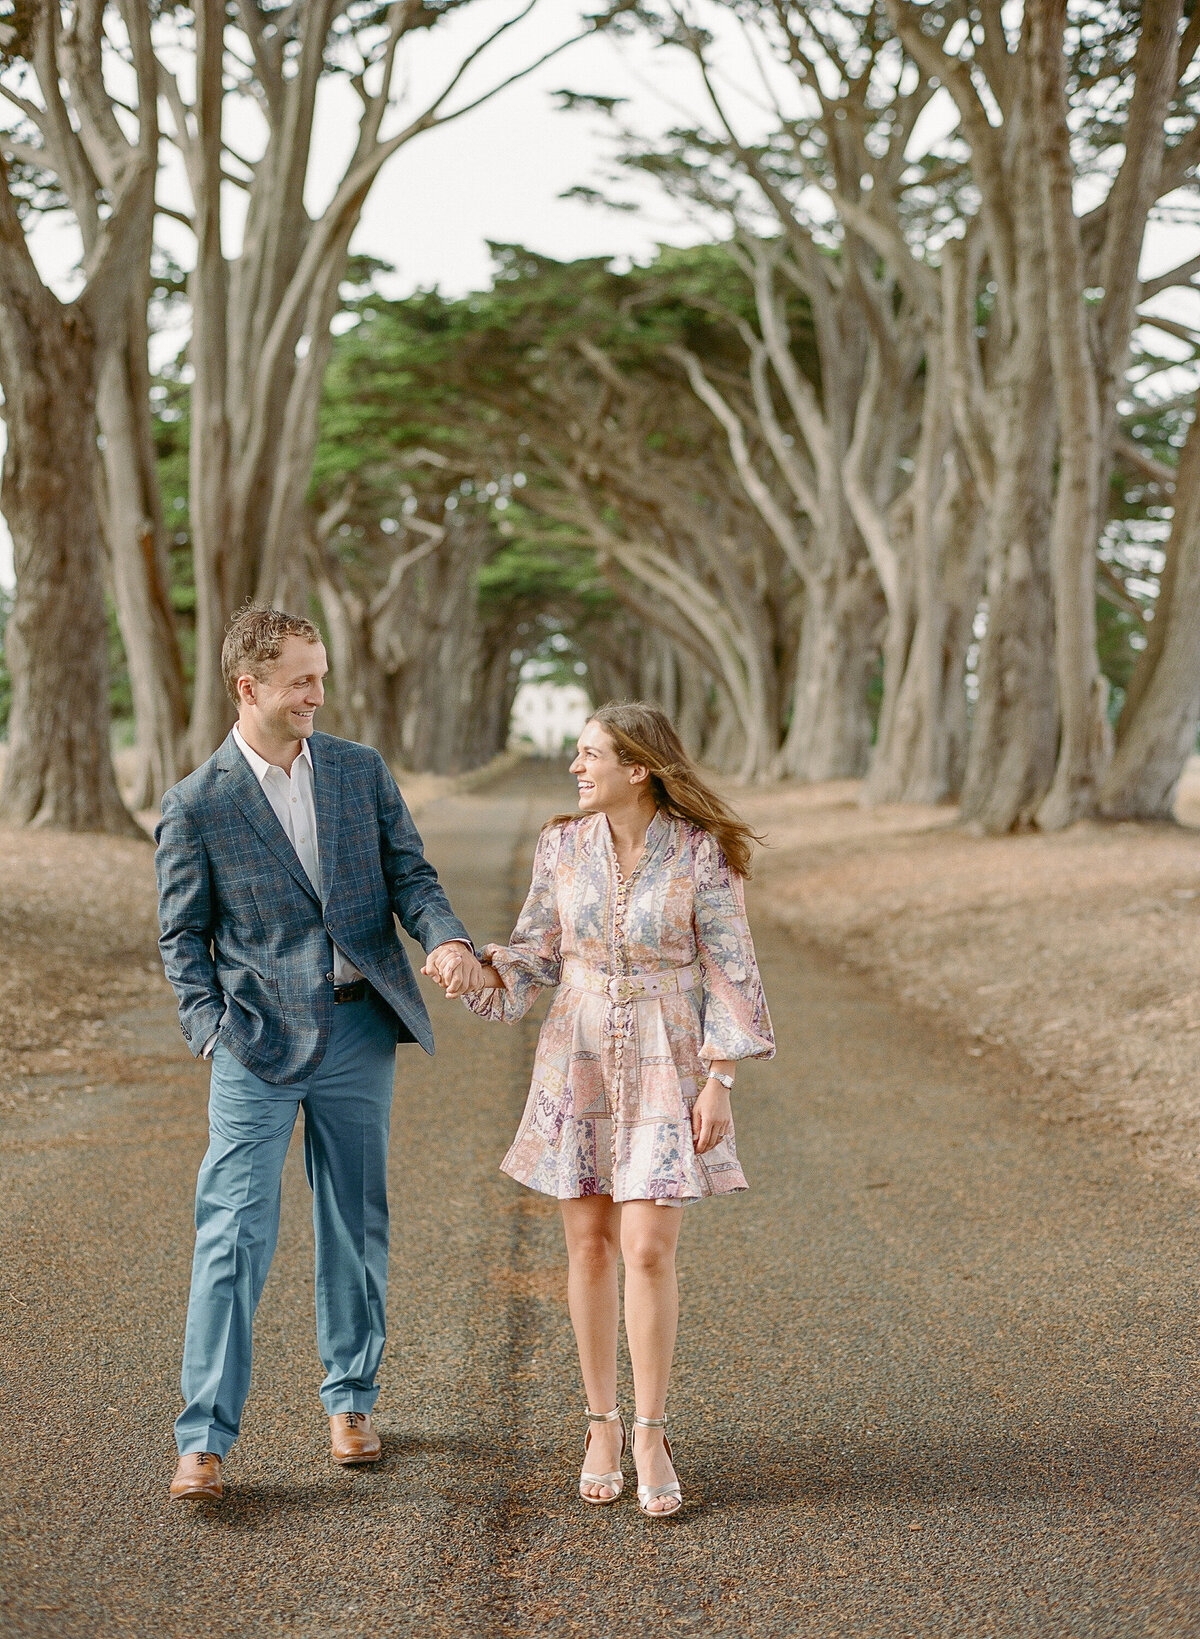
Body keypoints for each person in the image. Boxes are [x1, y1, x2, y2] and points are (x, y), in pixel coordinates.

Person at [155, 605, 484, 1502]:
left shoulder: (358, 771)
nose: (318, 694)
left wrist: (444, 940)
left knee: (354, 1223)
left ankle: (352, 1400)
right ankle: (205, 1438)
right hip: (254, 1045)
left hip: (359, 1029)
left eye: (321, 674)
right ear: (246, 685)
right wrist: (210, 1027)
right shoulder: (195, 803)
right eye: (301, 679)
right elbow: (181, 937)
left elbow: (411, 873)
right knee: (232, 1236)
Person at [440, 702, 774, 1517]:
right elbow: (538, 949)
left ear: (639, 768)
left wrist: (720, 1078)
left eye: (590, 754)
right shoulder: (561, 843)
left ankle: (653, 1430)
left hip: (670, 1053)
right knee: (588, 1245)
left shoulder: (702, 852)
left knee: (648, 1245)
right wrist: (480, 970)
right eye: (578, 752)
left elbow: (734, 966)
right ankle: (601, 1422)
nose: (574, 766)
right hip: (579, 1048)